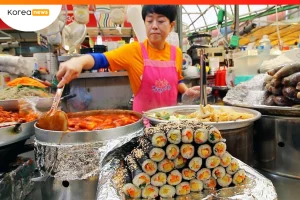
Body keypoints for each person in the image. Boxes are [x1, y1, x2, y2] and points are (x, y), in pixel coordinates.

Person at [56, 5, 209, 113]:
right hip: (144, 123)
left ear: (171, 25)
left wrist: (186, 90)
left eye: (161, 21)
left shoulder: (177, 53)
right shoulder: (134, 50)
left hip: (169, 121)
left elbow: (177, 80)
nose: (154, 26)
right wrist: (79, 61)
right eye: (149, 21)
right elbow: (101, 59)